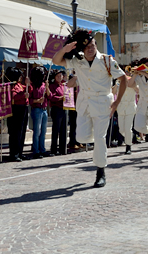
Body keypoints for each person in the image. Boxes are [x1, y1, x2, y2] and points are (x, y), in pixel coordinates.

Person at [52, 29, 126, 188]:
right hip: (85, 103)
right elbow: (56, 61)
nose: (91, 49)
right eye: (87, 47)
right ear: (82, 50)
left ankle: (101, 171)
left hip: (102, 103)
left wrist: (116, 102)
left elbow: (123, 79)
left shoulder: (107, 61)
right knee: (82, 137)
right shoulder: (77, 61)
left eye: (92, 45)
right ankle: (95, 145)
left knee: (100, 138)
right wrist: (65, 50)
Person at [6, 67, 30, 162]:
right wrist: (23, 95)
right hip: (15, 109)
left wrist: (28, 84)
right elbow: (13, 96)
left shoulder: (20, 85)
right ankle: (14, 154)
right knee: (15, 133)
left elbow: (29, 90)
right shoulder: (11, 85)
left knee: (22, 132)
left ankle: (20, 152)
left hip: (23, 108)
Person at [30, 66, 51, 159]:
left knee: (43, 131)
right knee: (37, 131)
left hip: (44, 109)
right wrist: (37, 101)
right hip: (37, 109)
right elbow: (29, 99)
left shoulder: (43, 85)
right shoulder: (32, 86)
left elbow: (49, 95)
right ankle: (36, 150)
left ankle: (42, 149)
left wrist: (47, 87)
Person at [48, 70, 68, 155]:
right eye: (58, 76)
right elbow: (51, 97)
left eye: (61, 76)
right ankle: (53, 149)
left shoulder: (64, 86)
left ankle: (63, 149)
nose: (59, 77)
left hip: (64, 108)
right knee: (56, 129)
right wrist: (60, 98)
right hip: (56, 108)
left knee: (64, 130)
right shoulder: (52, 86)